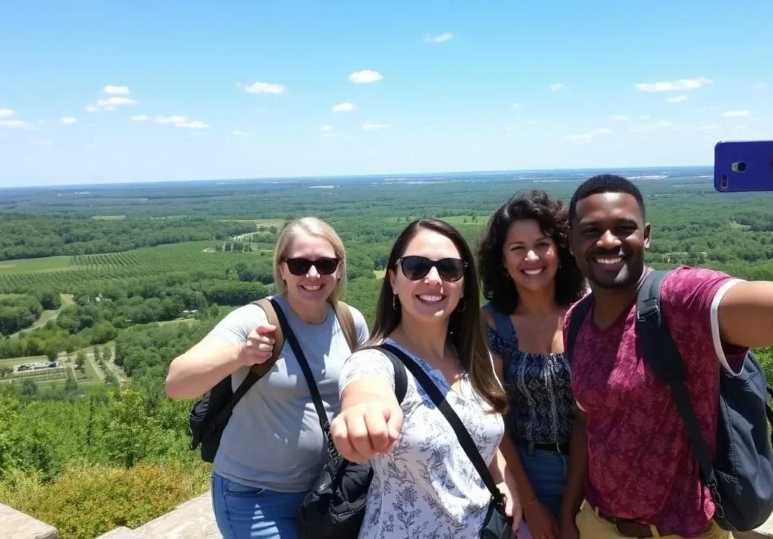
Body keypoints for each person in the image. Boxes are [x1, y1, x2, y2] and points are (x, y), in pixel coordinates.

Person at [559, 120, 773, 539]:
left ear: (646, 236)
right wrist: (570, 513)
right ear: (571, 242)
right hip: (597, 523)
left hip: (682, 531)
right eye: (590, 231)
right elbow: (589, 421)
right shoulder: (576, 320)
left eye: (624, 228)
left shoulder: (681, 301)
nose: (607, 241)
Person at [164, 217, 370, 539]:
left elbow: (367, 391)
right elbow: (176, 383)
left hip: (327, 490)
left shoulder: (349, 321)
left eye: (325, 264)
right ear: (282, 268)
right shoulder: (254, 319)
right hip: (255, 497)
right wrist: (241, 355)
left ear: (339, 267)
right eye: (300, 265)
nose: (313, 275)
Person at [331, 217, 523, 538]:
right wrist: (362, 412)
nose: (433, 279)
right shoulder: (375, 362)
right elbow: (365, 389)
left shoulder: (476, 359)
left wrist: (504, 479)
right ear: (393, 280)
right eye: (416, 267)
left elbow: (479, 433)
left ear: (463, 285)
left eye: (449, 269)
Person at [476, 190, 588, 539]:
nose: (531, 257)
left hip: (596, 466)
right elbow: (495, 418)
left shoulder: (588, 312)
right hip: (526, 469)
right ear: (502, 259)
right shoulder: (492, 323)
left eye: (542, 244)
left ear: (560, 250)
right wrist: (533, 504)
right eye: (517, 248)